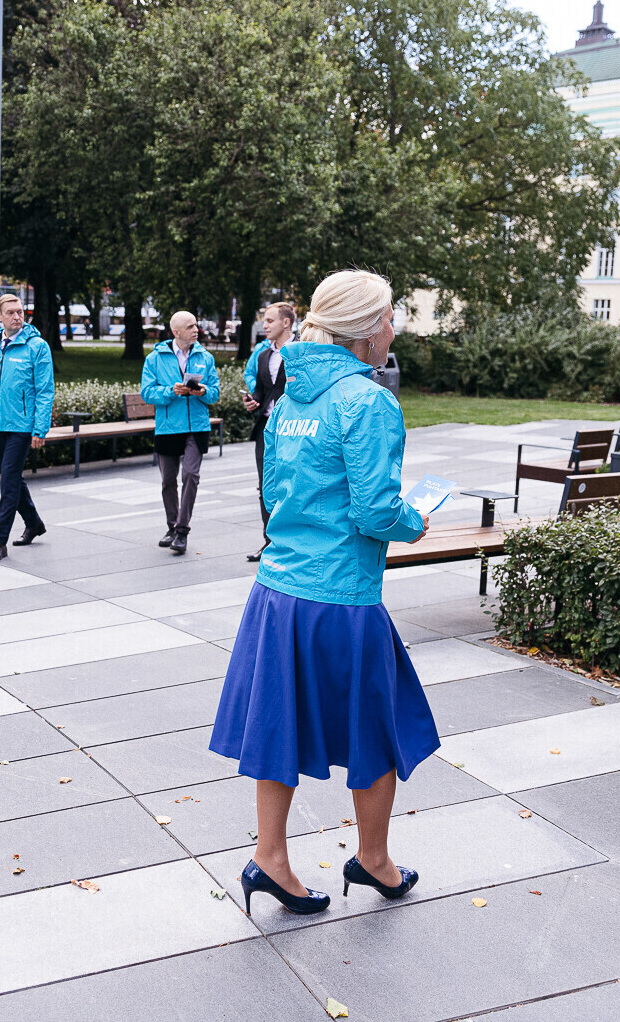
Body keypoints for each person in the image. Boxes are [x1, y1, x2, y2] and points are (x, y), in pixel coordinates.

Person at [211, 269, 433, 917]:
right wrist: (414, 519)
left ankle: (270, 857)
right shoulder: (368, 402)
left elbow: (275, 492)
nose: (393, 330)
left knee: (277, 725)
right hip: (341, 597)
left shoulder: (288, 400)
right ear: (364, 331)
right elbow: (375, 512)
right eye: (388, 318)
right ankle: (373, 860)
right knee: (379, 729)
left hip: (279, 590)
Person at [0, 293, 55, 563]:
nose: (17, 317)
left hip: (21, 426)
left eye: (20, 312)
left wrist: (40, 429)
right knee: (13, 477)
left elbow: (45, 391)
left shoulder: (37, 346)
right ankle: (34, 523)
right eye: (11, 312)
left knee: (8, 481)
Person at [140, 311, 220, 555]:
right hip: (168, 427)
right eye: (190, 326)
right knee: (168, 480)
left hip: (196, 427)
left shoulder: (205, 357)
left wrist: (203, 391)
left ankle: (182, 530)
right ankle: (171, 526)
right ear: (176, 332)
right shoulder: (155, 358)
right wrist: (170, 391)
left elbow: (215, 393)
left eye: (196, 325)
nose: (196, 330)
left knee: (191, 475)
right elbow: (147, 393)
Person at [242, 301, 296, 562]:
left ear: (286, 322)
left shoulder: (301, 351)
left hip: (295, 430)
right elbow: (262, 391)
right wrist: (252, 401)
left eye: (270, 321)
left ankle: (292, 542)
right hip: (266, 429)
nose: (264, 325)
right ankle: (269, 542)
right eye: (264, 321)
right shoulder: (264, 355)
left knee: (295, 486)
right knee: (267, 486)